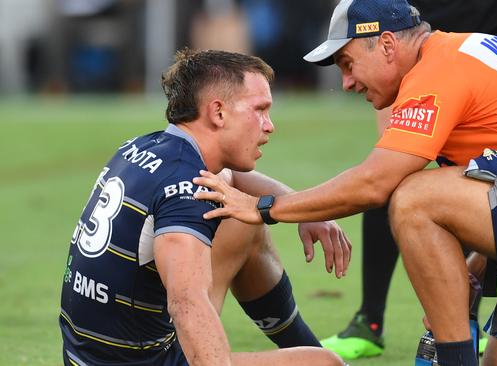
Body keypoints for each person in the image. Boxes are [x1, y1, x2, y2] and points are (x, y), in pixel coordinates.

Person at [193, 0, 497, 365]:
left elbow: (376, 183)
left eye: (349, 63)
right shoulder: (453, 53)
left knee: (413, 197)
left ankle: (450, 359)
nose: (348, 83)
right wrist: (471, 263)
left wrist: (265, 208)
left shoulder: (437, 70)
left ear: (387, 45)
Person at [59, 48, 350, 366]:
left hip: (84, 355)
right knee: (326, 364)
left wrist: (297, 209)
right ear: (218, 113)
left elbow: (230, 178)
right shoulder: (184, 191)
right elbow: (186, 303)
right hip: (146, 361)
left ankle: (302, 345)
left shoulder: (146, 146)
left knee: (241, 223)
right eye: (260, 110)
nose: (269, 126)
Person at [319, 0, 497, 360]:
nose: (345, 84)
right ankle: (371, 320)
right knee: (392, 171)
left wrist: (269, 207)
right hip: (412, 26)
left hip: (491, 23)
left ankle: (464, 316)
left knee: (482, 170)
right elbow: (381, 175)